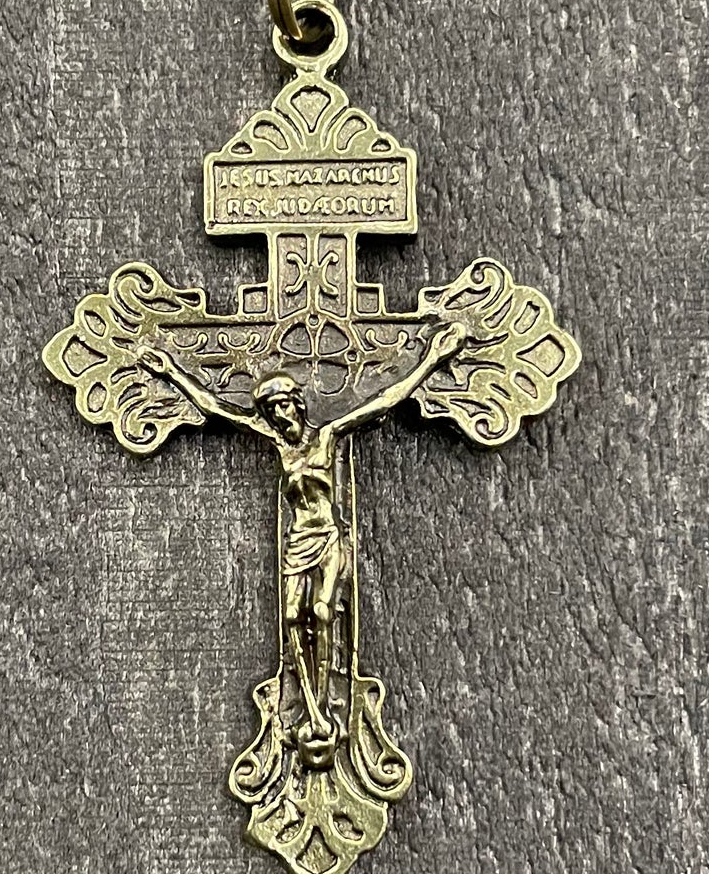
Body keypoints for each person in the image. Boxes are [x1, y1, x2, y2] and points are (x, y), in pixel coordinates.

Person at [138, 322, 467, 763]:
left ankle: (325, 700)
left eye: (283, 408)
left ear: (297, 404)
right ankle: (312, 704)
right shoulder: (278, 446)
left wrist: (433, 359)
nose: (279, 417)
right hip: (298, 540)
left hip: (328, 536)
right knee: (293, 616)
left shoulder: (327, 438)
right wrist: (172, 372)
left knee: (322, 610)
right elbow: (217, 409)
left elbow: (385, 399)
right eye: (271, 412)